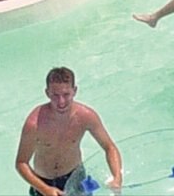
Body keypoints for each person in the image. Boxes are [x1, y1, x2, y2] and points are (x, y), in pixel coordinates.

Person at [15, 67, 122, 196]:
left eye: (66, 94)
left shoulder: (86, 116)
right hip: (43, 182)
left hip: (76, 177)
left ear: (74, 91)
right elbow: (21, 163)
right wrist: (45, 190)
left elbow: (109, 147)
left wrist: (117, 177)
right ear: (47, 93)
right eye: (55, 95)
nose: (61, 102)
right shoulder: (34, 123)